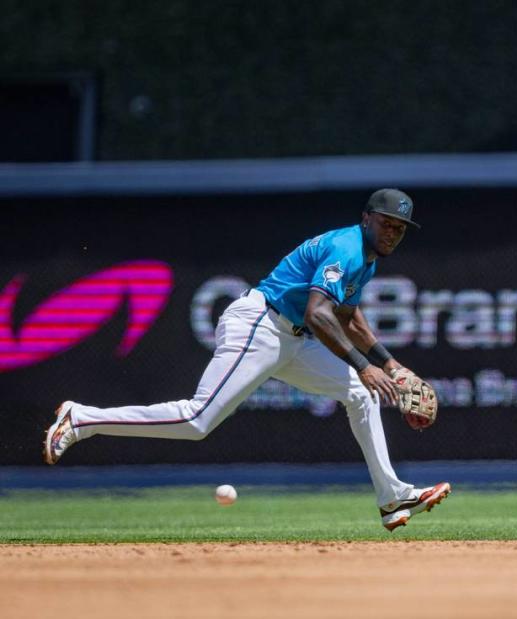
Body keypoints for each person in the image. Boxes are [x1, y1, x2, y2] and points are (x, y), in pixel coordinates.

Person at [43, 188, 451, 532]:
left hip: (292, 339)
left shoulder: (366, 258)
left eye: (400, 228)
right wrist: (364, 365)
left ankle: (391, 498)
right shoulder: (346, 247)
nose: (393, 232)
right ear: (366, 219)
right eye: (386, 223)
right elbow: (318, 314)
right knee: (196, 420)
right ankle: (81, 419)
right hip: (261, 325)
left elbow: (348, 317)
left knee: (360, 395)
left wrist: (391, 366)